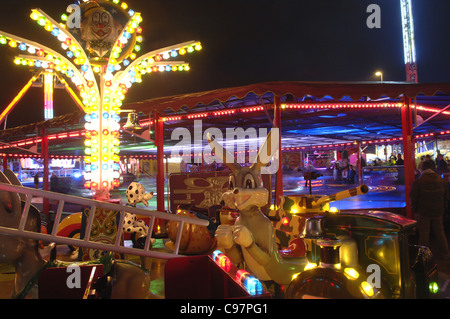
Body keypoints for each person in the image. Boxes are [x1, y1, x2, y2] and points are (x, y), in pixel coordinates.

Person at [410, 160, 449, 259]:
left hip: (423, 211)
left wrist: (415, 210)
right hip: (438, 211)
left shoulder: (419, 181)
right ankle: (445, 254)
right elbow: (446, 197)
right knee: (440, 232)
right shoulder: (441, 181)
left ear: (422, 168)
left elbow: (413, 197)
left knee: (424, 234)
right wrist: (443, 208)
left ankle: (422, 256)